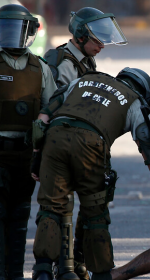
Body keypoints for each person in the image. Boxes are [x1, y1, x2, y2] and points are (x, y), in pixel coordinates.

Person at [31, 68, 150, 280]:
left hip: (55, 137)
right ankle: (101, 275)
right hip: (90, 143)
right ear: (144, 93)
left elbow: (43, 118)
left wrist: (36, 159)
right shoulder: (134, 101)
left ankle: (42, 271)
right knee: (95, 214)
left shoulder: (84, 81)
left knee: (51, 207)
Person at [43, 7, 128, 279]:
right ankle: (61, 267)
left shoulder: (85, 60)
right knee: (60, 206)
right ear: (80, 37)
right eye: (96, 39)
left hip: (75, 139)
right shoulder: (60, 62)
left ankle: (77, 263)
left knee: (90, 202)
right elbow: (54, 106)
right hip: (58, 139)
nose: (102, 45)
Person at [0, 4, 58, 280]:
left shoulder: (41, 68)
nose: (12, 36)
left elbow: (52, 109)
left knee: (20, 217)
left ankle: (14, 274)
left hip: (26, 154)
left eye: (18, 30)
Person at [44, 7, 128, 88]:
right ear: (81, 38)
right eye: (97, 41)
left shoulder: (86, 58)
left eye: (103, 41)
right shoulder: (66, 66)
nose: (102, 46)